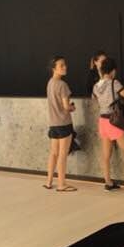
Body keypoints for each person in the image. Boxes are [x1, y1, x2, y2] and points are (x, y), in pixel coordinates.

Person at [92, 57, 124, 194]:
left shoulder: (96, 86)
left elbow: (96, 101)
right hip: (113, 122)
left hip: (102, 122)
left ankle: (108, 183)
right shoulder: (114, 83)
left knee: (106, 155)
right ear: (113, 71)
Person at [45, 56, 77, 192]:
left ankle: (49, 182)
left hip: (53, 124)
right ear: (54, 68)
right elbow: (66, 106)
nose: (65, 67)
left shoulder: (50, 83)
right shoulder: (62, 85)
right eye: (61, 65)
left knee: (53, 153)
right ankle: (61, 184)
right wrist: (72, 107)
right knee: (62, 154)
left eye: (65, 64)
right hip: (64, 123)